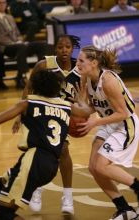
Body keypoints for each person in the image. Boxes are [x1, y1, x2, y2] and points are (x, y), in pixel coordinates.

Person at [0, 67, 90, 220]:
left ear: (35, 87)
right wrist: (81, 101)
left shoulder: (27, 103)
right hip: (51, 166)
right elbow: (86, 112)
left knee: (4, 214)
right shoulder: (66, 106)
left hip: (34, 161)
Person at [12, 34, 81, 214]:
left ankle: (68, 197)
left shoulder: (80, 69)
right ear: (55, 49)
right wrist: (20, 114)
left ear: (72, 49)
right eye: (60, 47)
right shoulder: (44, 65)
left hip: (60, 115)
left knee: (63, 150)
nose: (64, 50)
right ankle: (36, 189)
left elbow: (84, 97)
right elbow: (28, 88)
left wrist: (83, 112)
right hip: (39, 112)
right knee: (36, 152)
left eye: (67, 47)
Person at [76, 45, 139, 220]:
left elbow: (123, 112)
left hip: (125, 125)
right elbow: (90, 108)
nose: (77, 63)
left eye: (81, 60)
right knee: (93, 168)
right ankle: (124, 208)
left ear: (94, 63)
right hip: (108, 124)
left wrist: (95, 121)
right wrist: (69, 108)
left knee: (101, 166)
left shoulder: (108, 80)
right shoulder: (86, 79)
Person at [0, 0, 47, 89]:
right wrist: (15, 43)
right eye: (0, 3)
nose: (2, 5)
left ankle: (40, 75)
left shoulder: (9, 17)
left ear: (6, 4)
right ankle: (20, 76)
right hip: (4, 47)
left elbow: (17, 33)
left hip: (18, 45)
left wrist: (19, 40)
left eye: (4, 2)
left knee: (41, 45)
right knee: (21, 47)